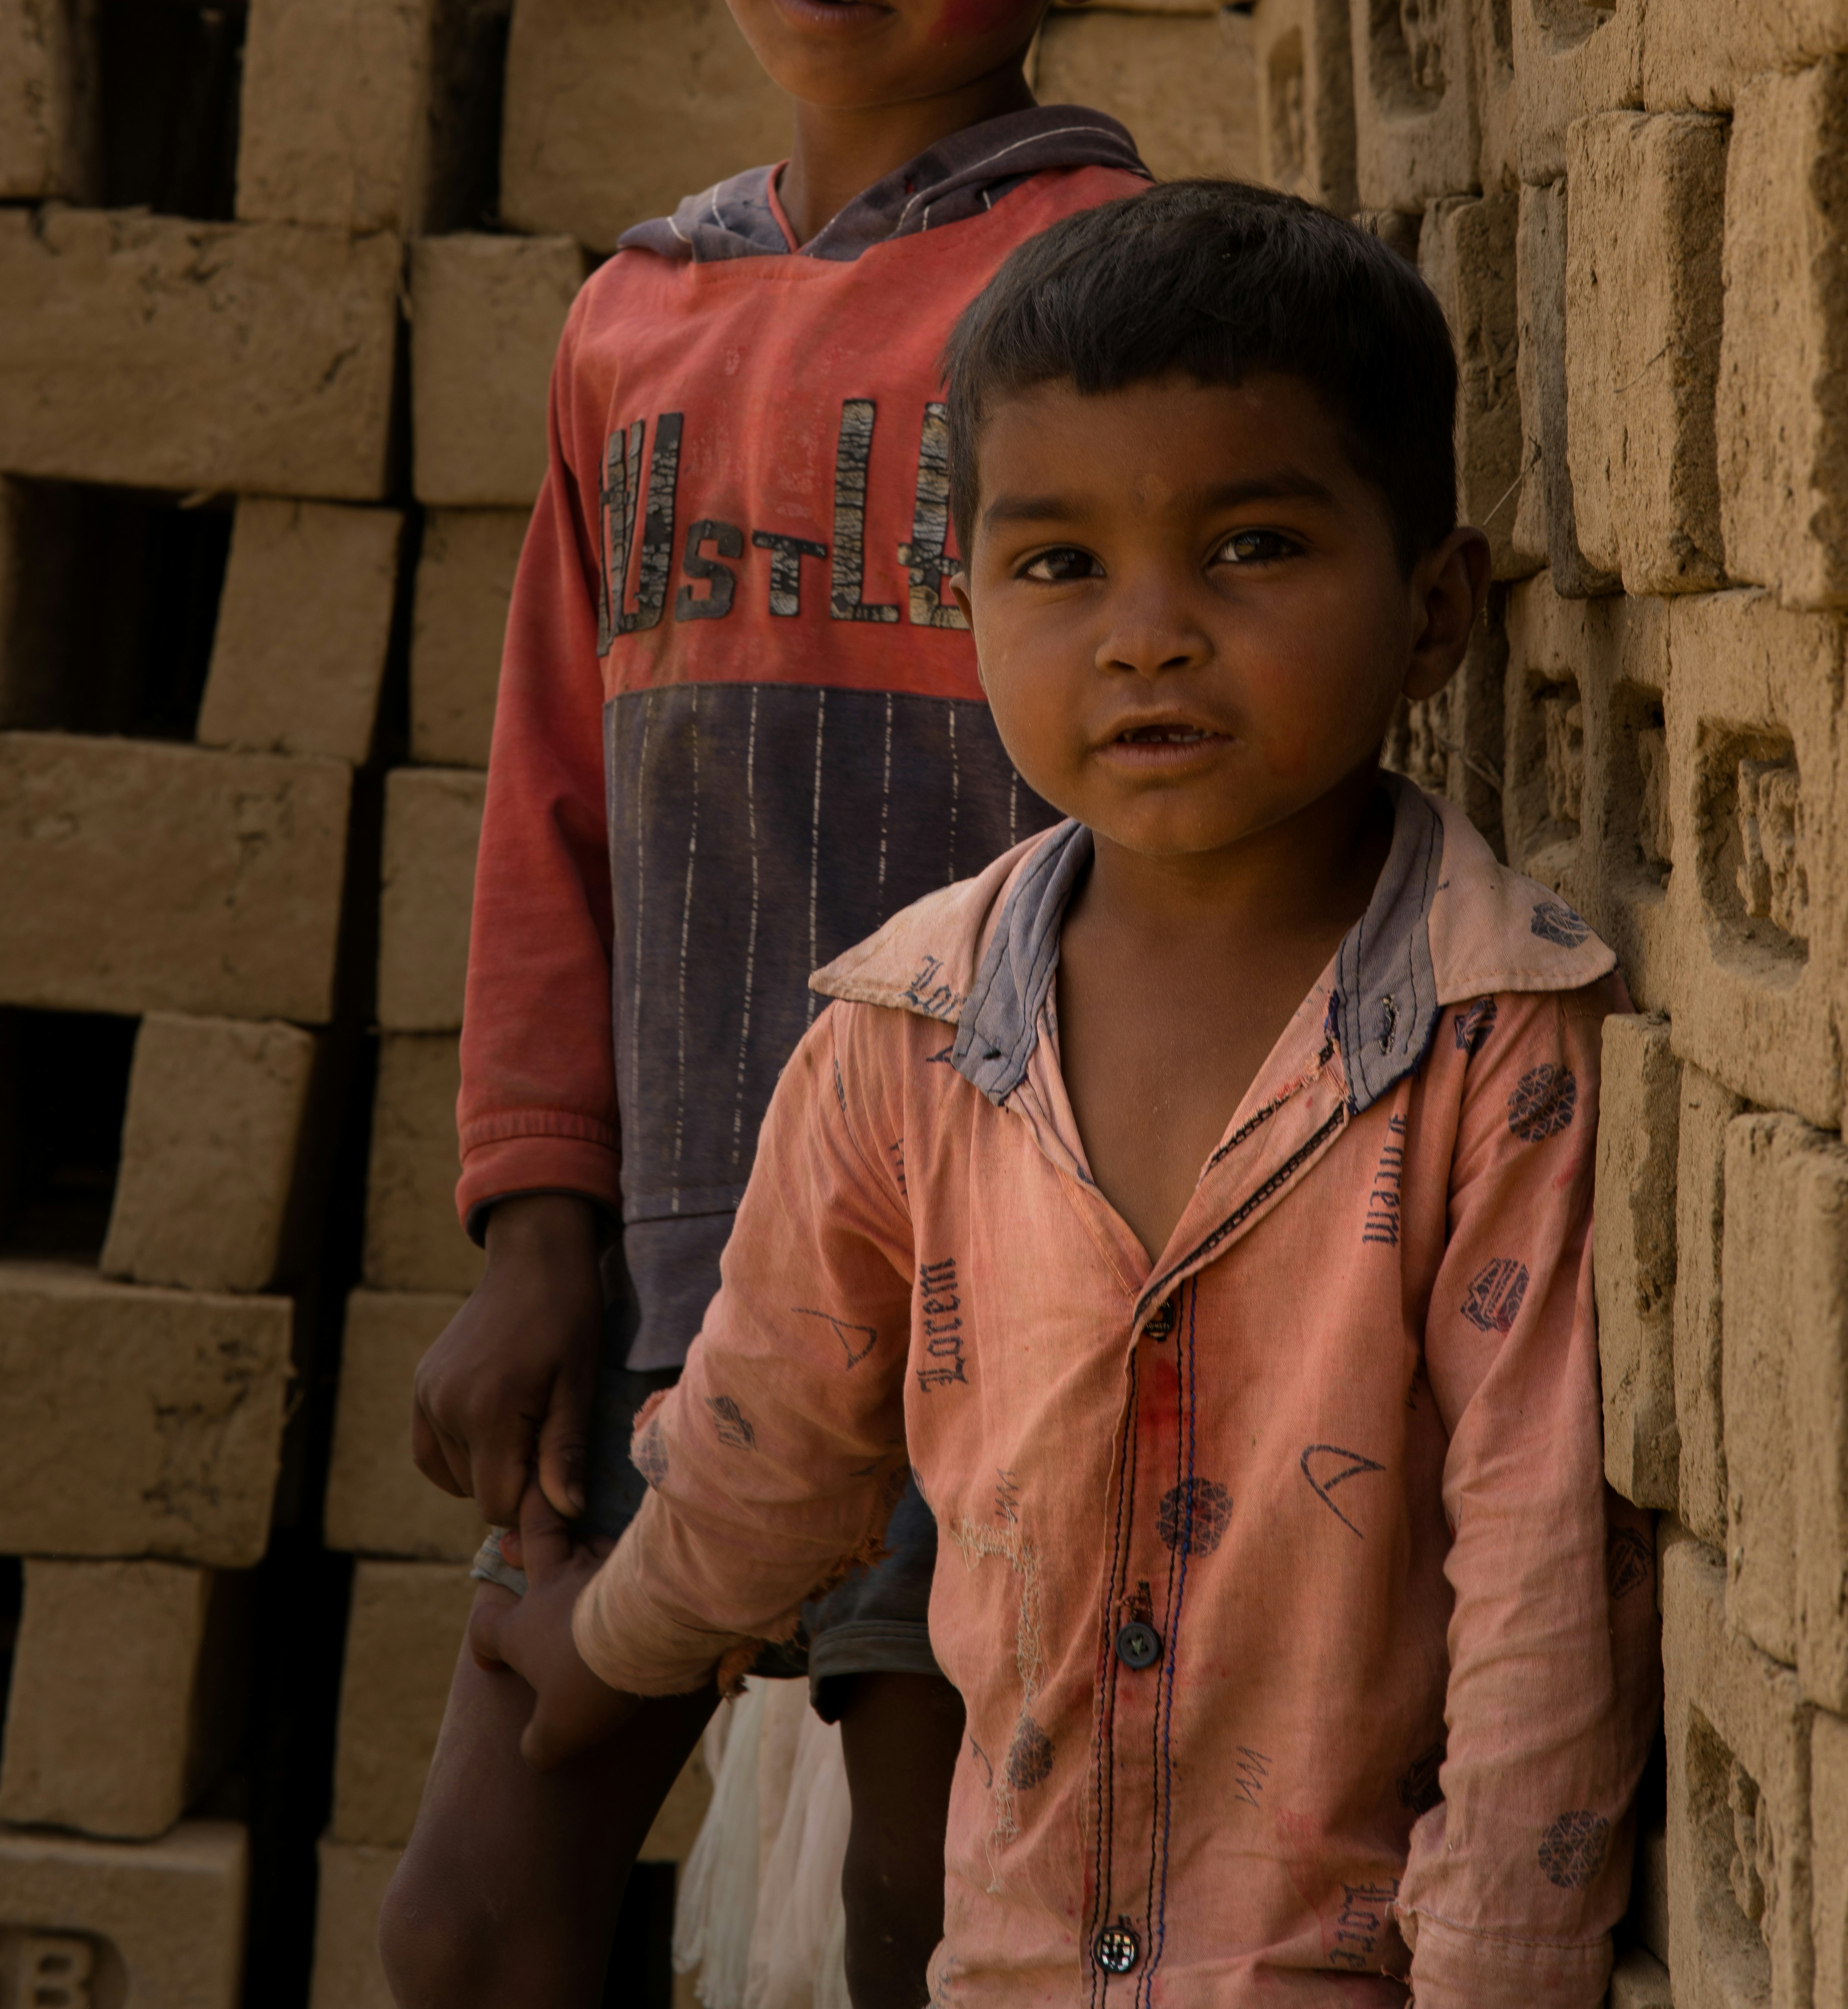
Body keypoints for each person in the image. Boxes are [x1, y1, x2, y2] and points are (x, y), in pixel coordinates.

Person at [472, 181, 1664, 2008]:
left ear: (1434, 613)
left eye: (1252, 548)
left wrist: (1498, 1974)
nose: (1146, 634)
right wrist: (613, 1641)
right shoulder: (902, 1041)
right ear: (966, 609)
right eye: (1057, 566)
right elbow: (768, 1443)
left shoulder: (1494, 1055)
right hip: (1014, 1961)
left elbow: (1539, 1592)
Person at [377, 0, 1195, 2009]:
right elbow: (553, 808)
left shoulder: (1095, 292)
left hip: (979, 1283)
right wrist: (532, 1225)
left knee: (913, 1906)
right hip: (655, 1283)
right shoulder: (634, 316)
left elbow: (1163, 823)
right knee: (474, 1913)